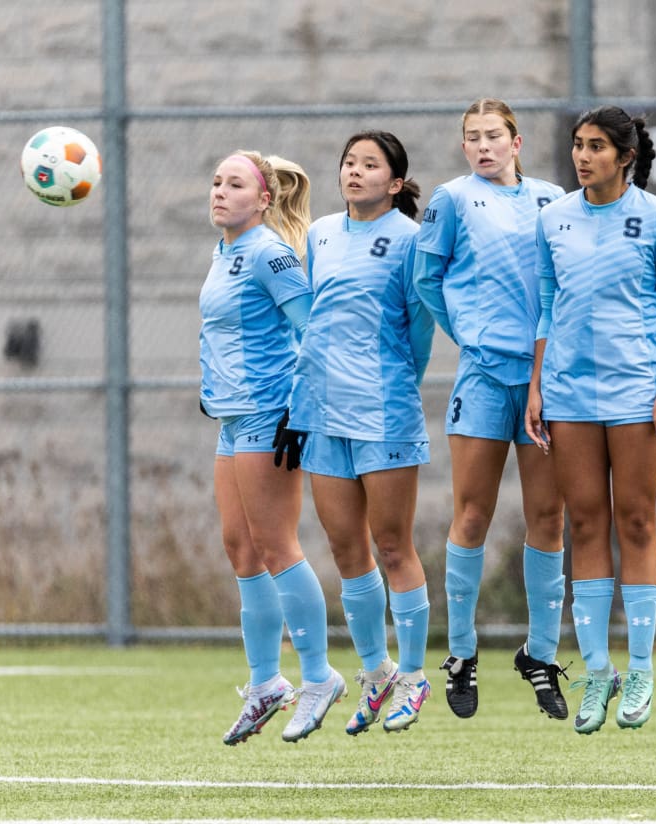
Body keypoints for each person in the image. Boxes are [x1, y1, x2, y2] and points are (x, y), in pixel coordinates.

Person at [525, 105, 656, 734]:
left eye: (596, 146)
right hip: (568, 393)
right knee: (586, 522)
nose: (582, 155)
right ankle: (598, 671)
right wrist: (538, 385)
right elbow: (546, 305)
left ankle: (642, 666)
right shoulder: (554, 219)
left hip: (635, 391)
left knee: (636, 520)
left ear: (625, 156)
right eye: (577, 145)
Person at [413, 98, 570, 721]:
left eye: (492, 136)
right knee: (472, 514)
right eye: (472, 138)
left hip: (543, 379)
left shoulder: (553, 199)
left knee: (548, 517)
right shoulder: (452, 201)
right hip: (482, 378)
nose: (482, 146)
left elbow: (565, 279)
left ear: (516, 141)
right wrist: (469, 333)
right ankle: (461, 653)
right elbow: (427, 279)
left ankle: (540, 654)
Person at [277, 130, 435, 734]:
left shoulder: (410, 241)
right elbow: (312, 326)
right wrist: (299, 405)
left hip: (383, 411)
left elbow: (419, 332)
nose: (355, 172)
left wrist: (392, 387)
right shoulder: (319, 234)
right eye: (349, 162)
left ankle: (415, 678)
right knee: (347, 548)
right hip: (322, 413)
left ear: (395, 183)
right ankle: (377, 673)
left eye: (371, 165)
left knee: (392, 545)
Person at [199, 150, 345, 746]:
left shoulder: (271, 253)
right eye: (215, 182)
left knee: (277, 545)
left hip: (270, 414)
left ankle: (318, 676)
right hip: (231, 420)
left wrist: (300, 411)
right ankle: (265, 684)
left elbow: (313, 333)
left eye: (235, 184)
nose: (219, 191)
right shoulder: (224, 251)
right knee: (241, 549)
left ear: (263, 200)